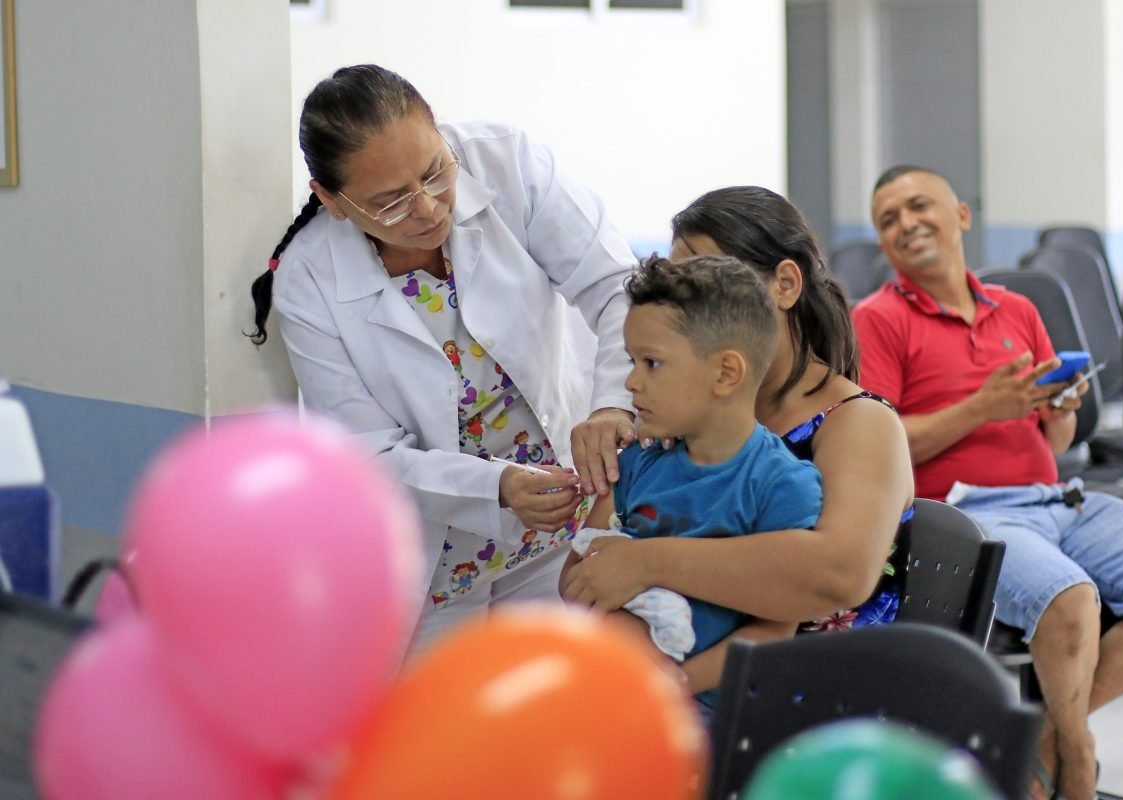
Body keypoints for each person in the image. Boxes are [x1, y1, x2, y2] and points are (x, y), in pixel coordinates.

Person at [247, 64, 639, 655]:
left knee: (551, 710)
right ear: (331, 200)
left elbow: (618, 288)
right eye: (391, 203)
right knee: (438, 731)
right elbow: (366, 456)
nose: (428, 209)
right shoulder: (310, 280)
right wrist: (498, 485)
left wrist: (612, 403)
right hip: (434, 559)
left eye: (435, 173)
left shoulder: (508, 163)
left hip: (564, 522)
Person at [853, 164, 1123, 800]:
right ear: (883, 246)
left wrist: (1062, 411)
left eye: (918, 206)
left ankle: (1043, 745)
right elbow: (879, 446)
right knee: (1070, 601)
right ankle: (1078, 755)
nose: (906, 224)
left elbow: (1054, 443)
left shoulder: (1018, 309)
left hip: (1058, 500)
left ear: (960, 216)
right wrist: (981, 408)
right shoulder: (877, 320)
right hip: (962, 509)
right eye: (888, 220)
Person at [561, 186, 914, 693]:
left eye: (710, 282)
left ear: (785, 284)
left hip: (808, 709)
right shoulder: (679, 423)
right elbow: (588, 574)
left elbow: (838, 574)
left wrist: (647, 561)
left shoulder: (857, 422)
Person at [561, 254, 824, 705]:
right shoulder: (638, 462)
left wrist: (668, 687)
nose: (630, 382)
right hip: (607, 696)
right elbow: (574, 580)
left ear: (725, 373)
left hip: (710, 723)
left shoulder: (781, 485)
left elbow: (776, 629)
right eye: (631, 361)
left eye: (652, 363)